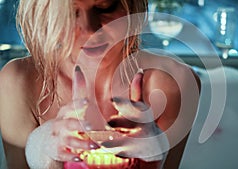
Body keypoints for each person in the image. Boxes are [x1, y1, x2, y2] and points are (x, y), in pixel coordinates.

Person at [0, 0, 200, 168]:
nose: (90, 29)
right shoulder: (18, 82)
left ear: (132, 7)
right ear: (45, 15)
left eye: (104, 7)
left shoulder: (174, 82)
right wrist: (49, 155)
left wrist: (150, 157)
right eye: (70, 13)